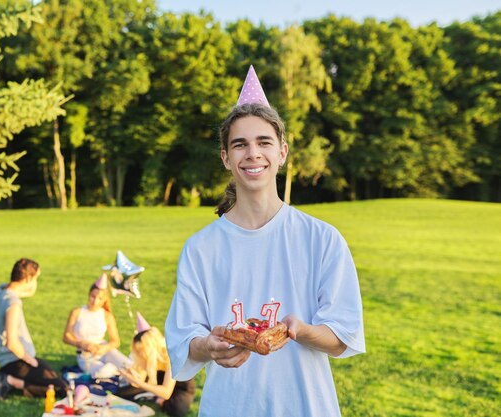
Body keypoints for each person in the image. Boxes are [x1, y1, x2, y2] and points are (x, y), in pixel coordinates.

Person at [164, 66, 365, 416]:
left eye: (264, 142)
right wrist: (208, 346)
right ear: (226, 157)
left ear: (282, 152)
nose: (252, 153)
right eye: (240, 144)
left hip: (305, 406)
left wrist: (299, 330)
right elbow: (184, 342)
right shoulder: (201, 249)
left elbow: (342, 337)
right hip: (229, 407)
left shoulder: (321, 239)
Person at [0, 258, 67, 400]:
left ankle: (10, 379)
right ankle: (9, 381)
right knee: (60, 389)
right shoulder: (13, 305)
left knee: (54, 377)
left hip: (12, 360)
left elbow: (24, 292)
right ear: (28, 278)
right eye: (36, 279)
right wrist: (30, 360)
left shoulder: (1, 290)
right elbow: (11, 343)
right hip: (16, 361)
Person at [118, 312, 195, 417]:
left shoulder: (171, 356)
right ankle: (153, 394)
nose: (140, 354)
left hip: (179, 388)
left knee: (176, 411)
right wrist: (132, 377)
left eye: (141, 351)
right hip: (158, 381)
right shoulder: (148, 358)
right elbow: (141, 378)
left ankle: (153, 395)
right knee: (121, 393)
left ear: (150, 348)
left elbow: (166, 393)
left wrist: (139, 383)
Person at [62, 274, 131, 377]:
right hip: (85, 354)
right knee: (105, 371)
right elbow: (66, 337)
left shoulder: (107, 316)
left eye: (100, 298)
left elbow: (115, 341)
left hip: (103, 349)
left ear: (104, 300)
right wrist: (81, 344)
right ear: (89, 295)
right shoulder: (77, 312)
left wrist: (104, 348)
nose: (95, 301)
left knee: (128, 366)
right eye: (93, 297)